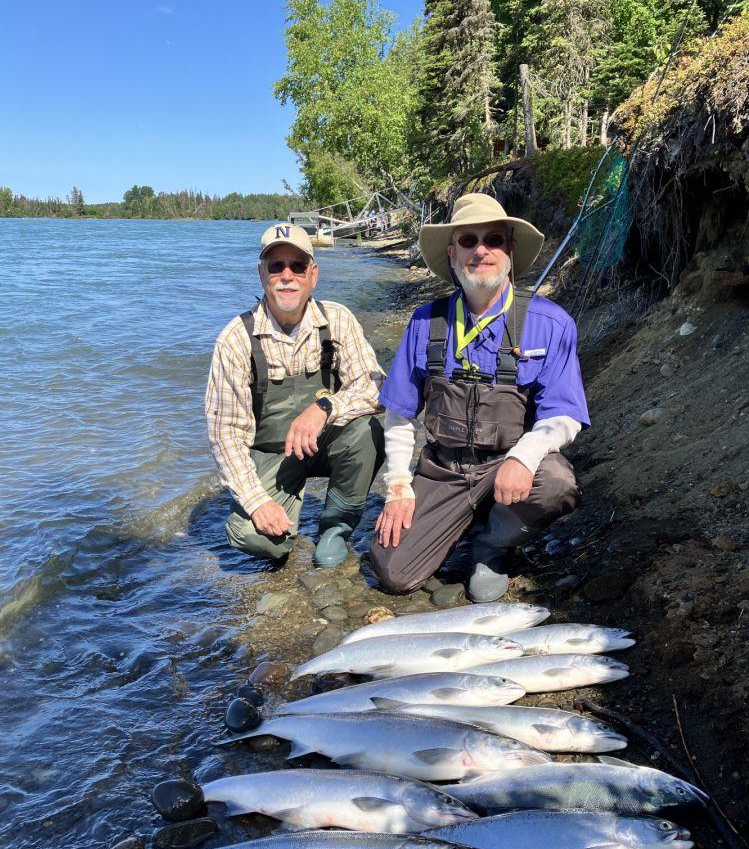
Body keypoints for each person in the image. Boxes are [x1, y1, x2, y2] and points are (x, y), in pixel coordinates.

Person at [371, 192, 588, 601]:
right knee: (392, 571)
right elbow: (399, 414)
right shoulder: (424, 321)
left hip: (509, 465)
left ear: (510, 250)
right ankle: (461, 520)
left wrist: (523, 458)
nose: (481, 250)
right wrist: (398, 484)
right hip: (444, 471)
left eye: (494, 239)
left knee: (557, 482)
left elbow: (564, 416)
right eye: (468, 241)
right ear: (452, 254)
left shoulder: (552, 323)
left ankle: (492, 543)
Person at [206, 223, 384, 568]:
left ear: (313, 275)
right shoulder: (234, 340)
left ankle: (335, 530)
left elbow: (377, 387)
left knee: (369, 432)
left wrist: (324, 407)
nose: (287, 276)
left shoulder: (339, 319)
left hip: (325, 440)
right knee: (254, 537)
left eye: (297, 266)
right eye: (276, 266)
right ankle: (282, 527)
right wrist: (257, 502)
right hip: (270, 455)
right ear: (262, 275)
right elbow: (224, 435)